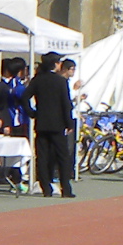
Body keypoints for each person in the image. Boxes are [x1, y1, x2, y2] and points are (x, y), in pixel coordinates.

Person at [29, 51, 75, 197]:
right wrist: (69, 123)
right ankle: (65, 188)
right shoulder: (60, 81)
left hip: (42, 122)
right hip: (58, 123)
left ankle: (46, 187)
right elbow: (66, 104)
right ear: (56, 64)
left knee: (42, 156)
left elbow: (24, 97)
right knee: (63, 156)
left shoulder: (38, 79)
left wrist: (32, 113)